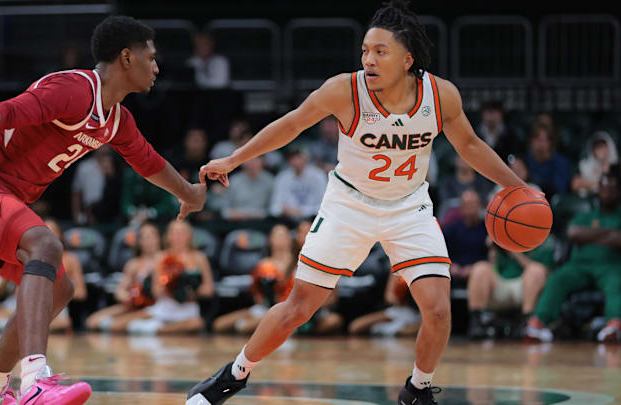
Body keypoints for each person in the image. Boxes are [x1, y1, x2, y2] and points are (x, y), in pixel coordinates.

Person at [186, 2, 528, 404]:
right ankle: (235, 374)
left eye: (380, 51)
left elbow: (470, 145)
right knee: (298, 308)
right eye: (365, 50)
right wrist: (235, 158)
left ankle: (417, 390)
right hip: (349, 205)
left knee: (437, 311)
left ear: (407, 59)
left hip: (409, 208)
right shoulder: (345, 90)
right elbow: (292, 124)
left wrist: (519, 188)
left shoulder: (441, 95)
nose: (368, 59)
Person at [0, 15, 207, 405]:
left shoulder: (117, 119)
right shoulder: (72, 89)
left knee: (60, 288)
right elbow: (5, 111)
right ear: (126, 57)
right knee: (47, 246)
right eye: (150, 57)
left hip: (3, 195)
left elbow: (149, 162)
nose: (156, 67)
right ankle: (35, 380)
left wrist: (188, 193)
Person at [525, 170, 621, 343]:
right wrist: (609, 235)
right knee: (558, 278)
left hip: (610, 266)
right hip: (579, 266)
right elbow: (573, 233)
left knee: (616, 282)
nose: (607, 192)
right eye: (604, 188)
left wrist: (589, 235)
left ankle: (613, 326)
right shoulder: (586, 215)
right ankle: (538, 323)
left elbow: (618, 240)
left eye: (612, 189)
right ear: (598, 190)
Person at [0, 219, 87, 333]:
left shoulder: (70, 259)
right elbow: (2, 291)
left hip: (46, 304)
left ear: (60, 235)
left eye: (51, 232)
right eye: (43, 231)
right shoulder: (28, 255)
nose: (46, 236)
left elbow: (81, 293)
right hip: (18, 303)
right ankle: (17, 327)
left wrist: (54, 290)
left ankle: (18, 328)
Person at [126, 220, 214, 334]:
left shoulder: (199, 257)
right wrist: (170, 285)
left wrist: (190, 290)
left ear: (189, 236)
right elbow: (156, 291)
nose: (178, 237)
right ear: (168, 236)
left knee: (196, 323)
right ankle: (159, 327)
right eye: (174, 233)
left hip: (188, 307)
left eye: (182, 232)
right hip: (165, 306)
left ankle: (160, 330)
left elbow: (209, 289)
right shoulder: (160, 257)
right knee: (130, 323)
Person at [466, 234, 554, 340]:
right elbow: (494, 268)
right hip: (502, 284)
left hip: (525, 287)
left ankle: (527, 323)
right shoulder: (502, 230)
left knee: (536, 270)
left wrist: (511, 249)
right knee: (480, 268)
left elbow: (546, 272)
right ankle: (477, 323)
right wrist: (493, 248)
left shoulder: (542, 236)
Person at [213, 224, 295, 333]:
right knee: (219, 324)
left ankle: (267, 324)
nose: (280, 240)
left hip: (288, 310)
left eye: (283, 236)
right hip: (264, 307)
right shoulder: (263, 264)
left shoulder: (297, 263)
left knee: (244, 326)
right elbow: (255, 291)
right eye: (277, 236)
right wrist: (263, 297)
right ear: (270, 240)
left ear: (290, 240)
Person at [85, 222, 161, 331]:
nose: (148, 240)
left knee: (115, 326)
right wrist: (127, 298)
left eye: (151, 236)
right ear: (139, 242)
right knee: (92, 322)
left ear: (158, 238)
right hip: (134, 305)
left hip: (155, 307)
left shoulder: (164, 259)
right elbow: (120, 290)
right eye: (143, 237)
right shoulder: (133, 264)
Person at [268, 145, 327, 222]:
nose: (295, 161)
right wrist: (283, 210)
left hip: (312, 219)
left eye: (298, 157)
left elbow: (324, 206)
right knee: (276, 226)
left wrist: (301, 211)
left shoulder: (318, 176)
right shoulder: (283, 177)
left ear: (306, 158)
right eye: (291, 158)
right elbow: (274, 207)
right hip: (288, 220)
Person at [526, 124, 572, 199]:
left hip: (550, 203)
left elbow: (559, 189)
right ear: (531, 141)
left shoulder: (560, 163)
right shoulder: (525, 161)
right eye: (537, 140)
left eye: (543, 140)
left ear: (550, 143)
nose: (540, 144)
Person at [572, 131, 618, 196]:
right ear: (592, 150)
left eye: (603, 146)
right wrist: (596, 184)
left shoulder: (616, 166)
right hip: (589, 200)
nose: (601, 150)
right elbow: (575, 184)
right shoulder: (585, 165)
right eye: (598, 147)